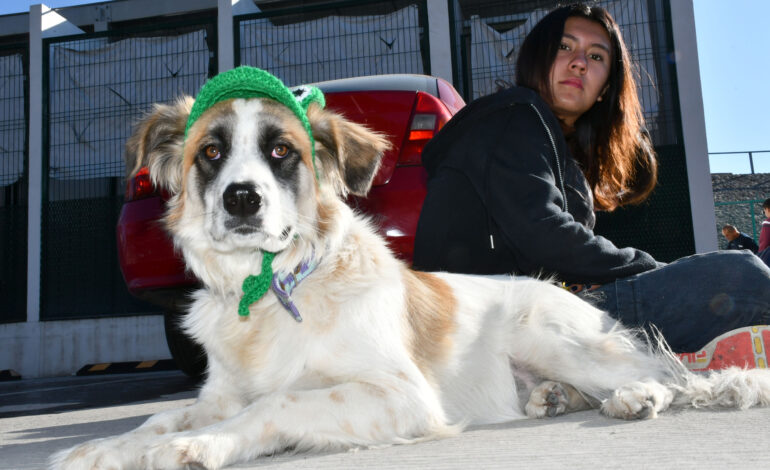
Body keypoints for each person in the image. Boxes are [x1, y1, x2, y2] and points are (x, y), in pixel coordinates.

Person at [412, 3, 770, 353]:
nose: (579, 62)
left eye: (596, 57)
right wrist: (656, 270)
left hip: (520, 321)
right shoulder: (514, 115)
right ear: (537, 58)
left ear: (604, 89)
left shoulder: (547, 140)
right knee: (738, 275)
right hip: (493, 330)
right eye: (564, 46)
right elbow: (545, 235)